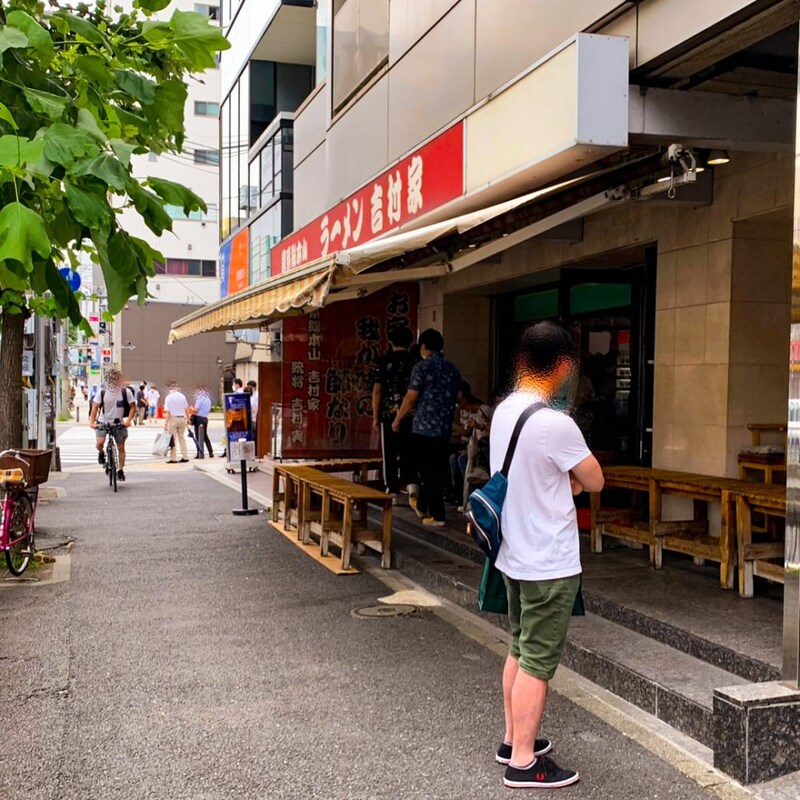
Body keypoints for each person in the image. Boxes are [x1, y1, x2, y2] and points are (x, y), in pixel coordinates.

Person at [490, 321, 604, 790]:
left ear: (523, 361)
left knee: (519, 646)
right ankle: (523, 763)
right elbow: (594, 480)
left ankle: (513, 738)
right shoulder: (556, 423)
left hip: (514, 554)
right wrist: (571, 481)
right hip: (548, 562)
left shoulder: (505, 411)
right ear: (561, 366)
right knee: (537, 660)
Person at [392, 328, 460, 527]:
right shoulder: (453, 369)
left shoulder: (422, 367)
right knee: (436, 469)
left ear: (423, 347)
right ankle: (422, 505)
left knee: (427, 471)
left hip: (423, 428)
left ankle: (437, 515)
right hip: (444, 428)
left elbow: (411, 397)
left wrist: (397, 419)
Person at [372, 326, 415, 496]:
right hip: (411, 413)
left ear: (391, 342)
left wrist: (375, 417)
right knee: (408, 449)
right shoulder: (415, 362)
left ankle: (392, 487)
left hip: (388, 414)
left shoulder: (383, 362)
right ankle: (408, 482)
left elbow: (377, 390)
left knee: (389, 451)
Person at [89, 367, 136, 483]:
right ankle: (101, 453)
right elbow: (95, 407)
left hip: (118, 423)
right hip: (103, 421)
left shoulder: (126, 392)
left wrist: (128, 421)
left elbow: (133, 407)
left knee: (121, 447)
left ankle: (120, 469)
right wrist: (92, 422)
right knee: (100, 443)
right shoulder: (102, 392)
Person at [163, 381, 190, 463]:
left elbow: (168, 412)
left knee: (173, 439)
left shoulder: (169, 397)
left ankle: (173, 458)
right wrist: (188, 418)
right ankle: (185, 456)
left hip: (173, 419)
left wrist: (165, 423)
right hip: (182, 419)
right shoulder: (182, 396)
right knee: (182, 438)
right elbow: (186, 409)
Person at [191, 385, 215, 458]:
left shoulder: (200, 399)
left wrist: (191, 408)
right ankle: (210, 452)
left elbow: (196, 410)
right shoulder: (208, 399)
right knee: (205, 436)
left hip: (199, 418)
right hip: (205, 418)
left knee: (198, 436)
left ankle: (200, 453)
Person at [246, 380, 259, 454]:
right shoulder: (252, 395)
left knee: (252, 438)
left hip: (253, 420)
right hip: (252, 419)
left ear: (253, 387)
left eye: (250, 387)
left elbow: (253, 406)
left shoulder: (256, 396)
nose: (249, 389)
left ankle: (252, 453)